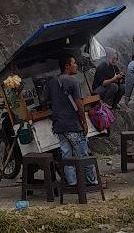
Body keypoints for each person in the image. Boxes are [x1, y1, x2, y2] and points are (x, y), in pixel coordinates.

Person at [46, 54, 98, 187]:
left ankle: (73, 183)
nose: (76, 65)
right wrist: (84, 122)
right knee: (83, 154)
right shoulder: (73, 81)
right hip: (72, 124)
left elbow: (48, 102)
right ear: (67, 66)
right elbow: (79, 104)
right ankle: (92, 181)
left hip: (58, 125)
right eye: (74, 63)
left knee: (66, 155)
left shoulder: (52, 82)